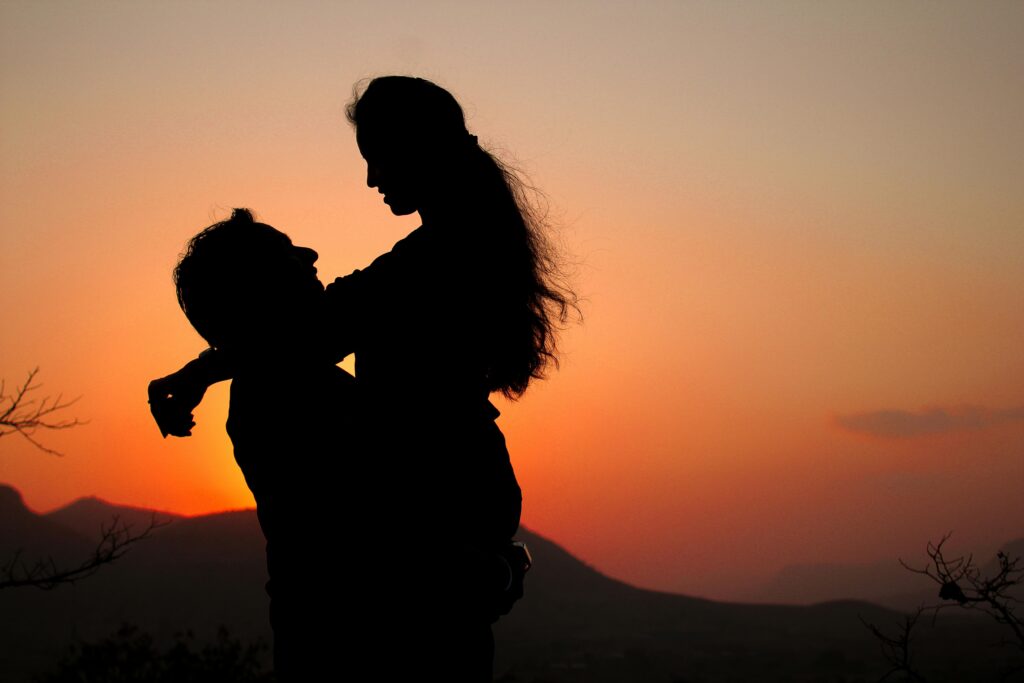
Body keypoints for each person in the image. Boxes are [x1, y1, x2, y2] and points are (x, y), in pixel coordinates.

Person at [150, 75, 576, 680]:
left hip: (411, 614)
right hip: (409, 613)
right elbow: (314, 335)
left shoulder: (427, 268)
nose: (372, 180)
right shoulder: (445, 256)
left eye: (377, 159)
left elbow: (314, 328)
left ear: (418, 151)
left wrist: (206, 366)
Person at [168, 208, 361, 679]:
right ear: (260, 291)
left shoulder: (284, 374)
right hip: (349, 639)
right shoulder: (285, 395)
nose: (310, 255)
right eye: (287, 254)